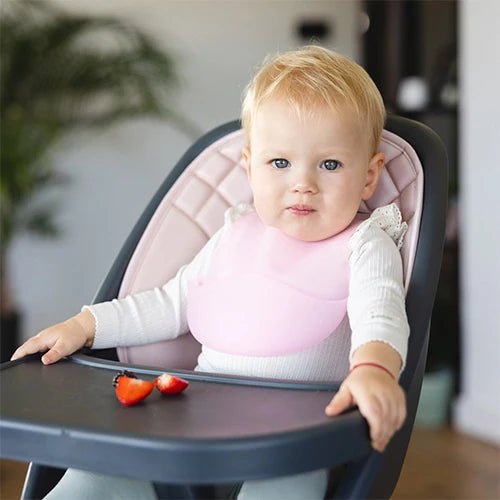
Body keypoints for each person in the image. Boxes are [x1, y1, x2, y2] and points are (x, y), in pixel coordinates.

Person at [12, 45, 409, 499]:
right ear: (250, 167)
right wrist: (84, 326)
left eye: (330, 164)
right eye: (280, 163)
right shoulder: (234, 233)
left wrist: (374, 369)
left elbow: (381, 314)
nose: (303, 183)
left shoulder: (366, 243)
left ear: (369, 176)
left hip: (296, 437)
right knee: (99, 471)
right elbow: (171, 303)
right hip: (197, 425)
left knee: (288, 485)